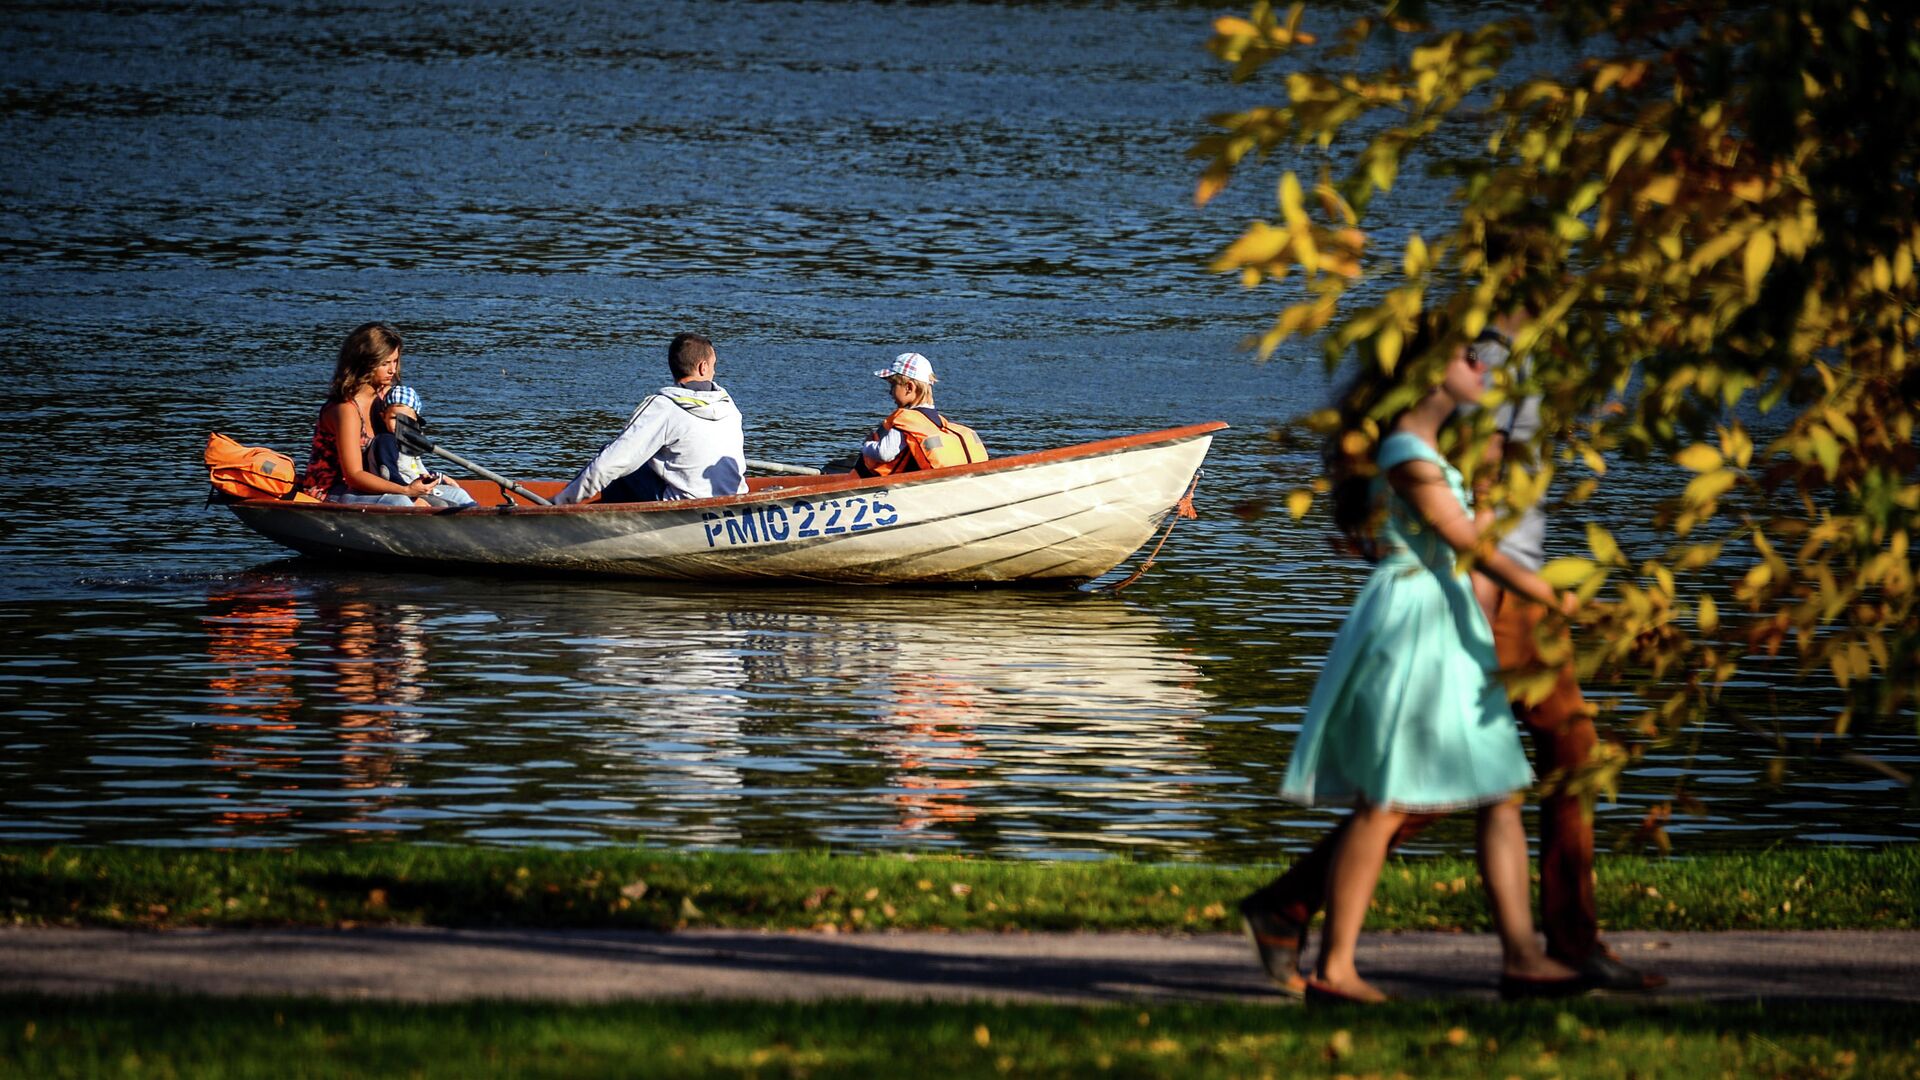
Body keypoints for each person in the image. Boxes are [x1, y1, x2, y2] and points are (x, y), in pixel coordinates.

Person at [1237, 313, 1665, 997]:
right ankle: (1317, 939)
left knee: (1503, 781)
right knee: (1415, 790)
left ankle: (1530, 953)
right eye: (1469, 359)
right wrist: (1544, 600)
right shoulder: (1456, 395)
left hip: (1470, 600)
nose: (1482, 367)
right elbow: (1471, 527)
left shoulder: (1514, 363)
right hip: (1453, 613)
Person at [554, 333, 747, 505]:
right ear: (703, 368)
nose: (714, 372)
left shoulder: (663, 407)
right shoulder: (729, 405)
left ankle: (601, 526)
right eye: (714, 366)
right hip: (732, 497)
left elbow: (608, 464)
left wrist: (561, 502)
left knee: (611, 456)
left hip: (685, 506)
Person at [302, 322, 438, 507]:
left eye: (395, 361)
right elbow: (354, 476)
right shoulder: (346, 409)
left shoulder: (386, 398)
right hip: (331, 491)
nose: (392, 370)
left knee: (453, 496)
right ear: (364, 363)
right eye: (385, 363)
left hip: (378, 484)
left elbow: (405, 454)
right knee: (400, 501)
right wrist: (406, 490)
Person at [855, 352, 987, 476]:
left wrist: (867, 446)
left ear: (909, 387)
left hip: (903, 487)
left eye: (893, 385)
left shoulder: (906, 421)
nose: (890, 392)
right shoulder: (937, 422)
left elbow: (884, 453)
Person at [369, 386, 477, 508]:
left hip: (419, 488)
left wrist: (439, 477)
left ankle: (478, 517)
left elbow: (414, 471)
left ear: (415, 420)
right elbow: (388, 474)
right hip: (400, 491)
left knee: (459, 494)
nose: (399, 424)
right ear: (383, 416)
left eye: (406, 420)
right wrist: (411, 494)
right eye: (394, 418)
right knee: (442, 505)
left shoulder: (408, 441)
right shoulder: (386, 441)